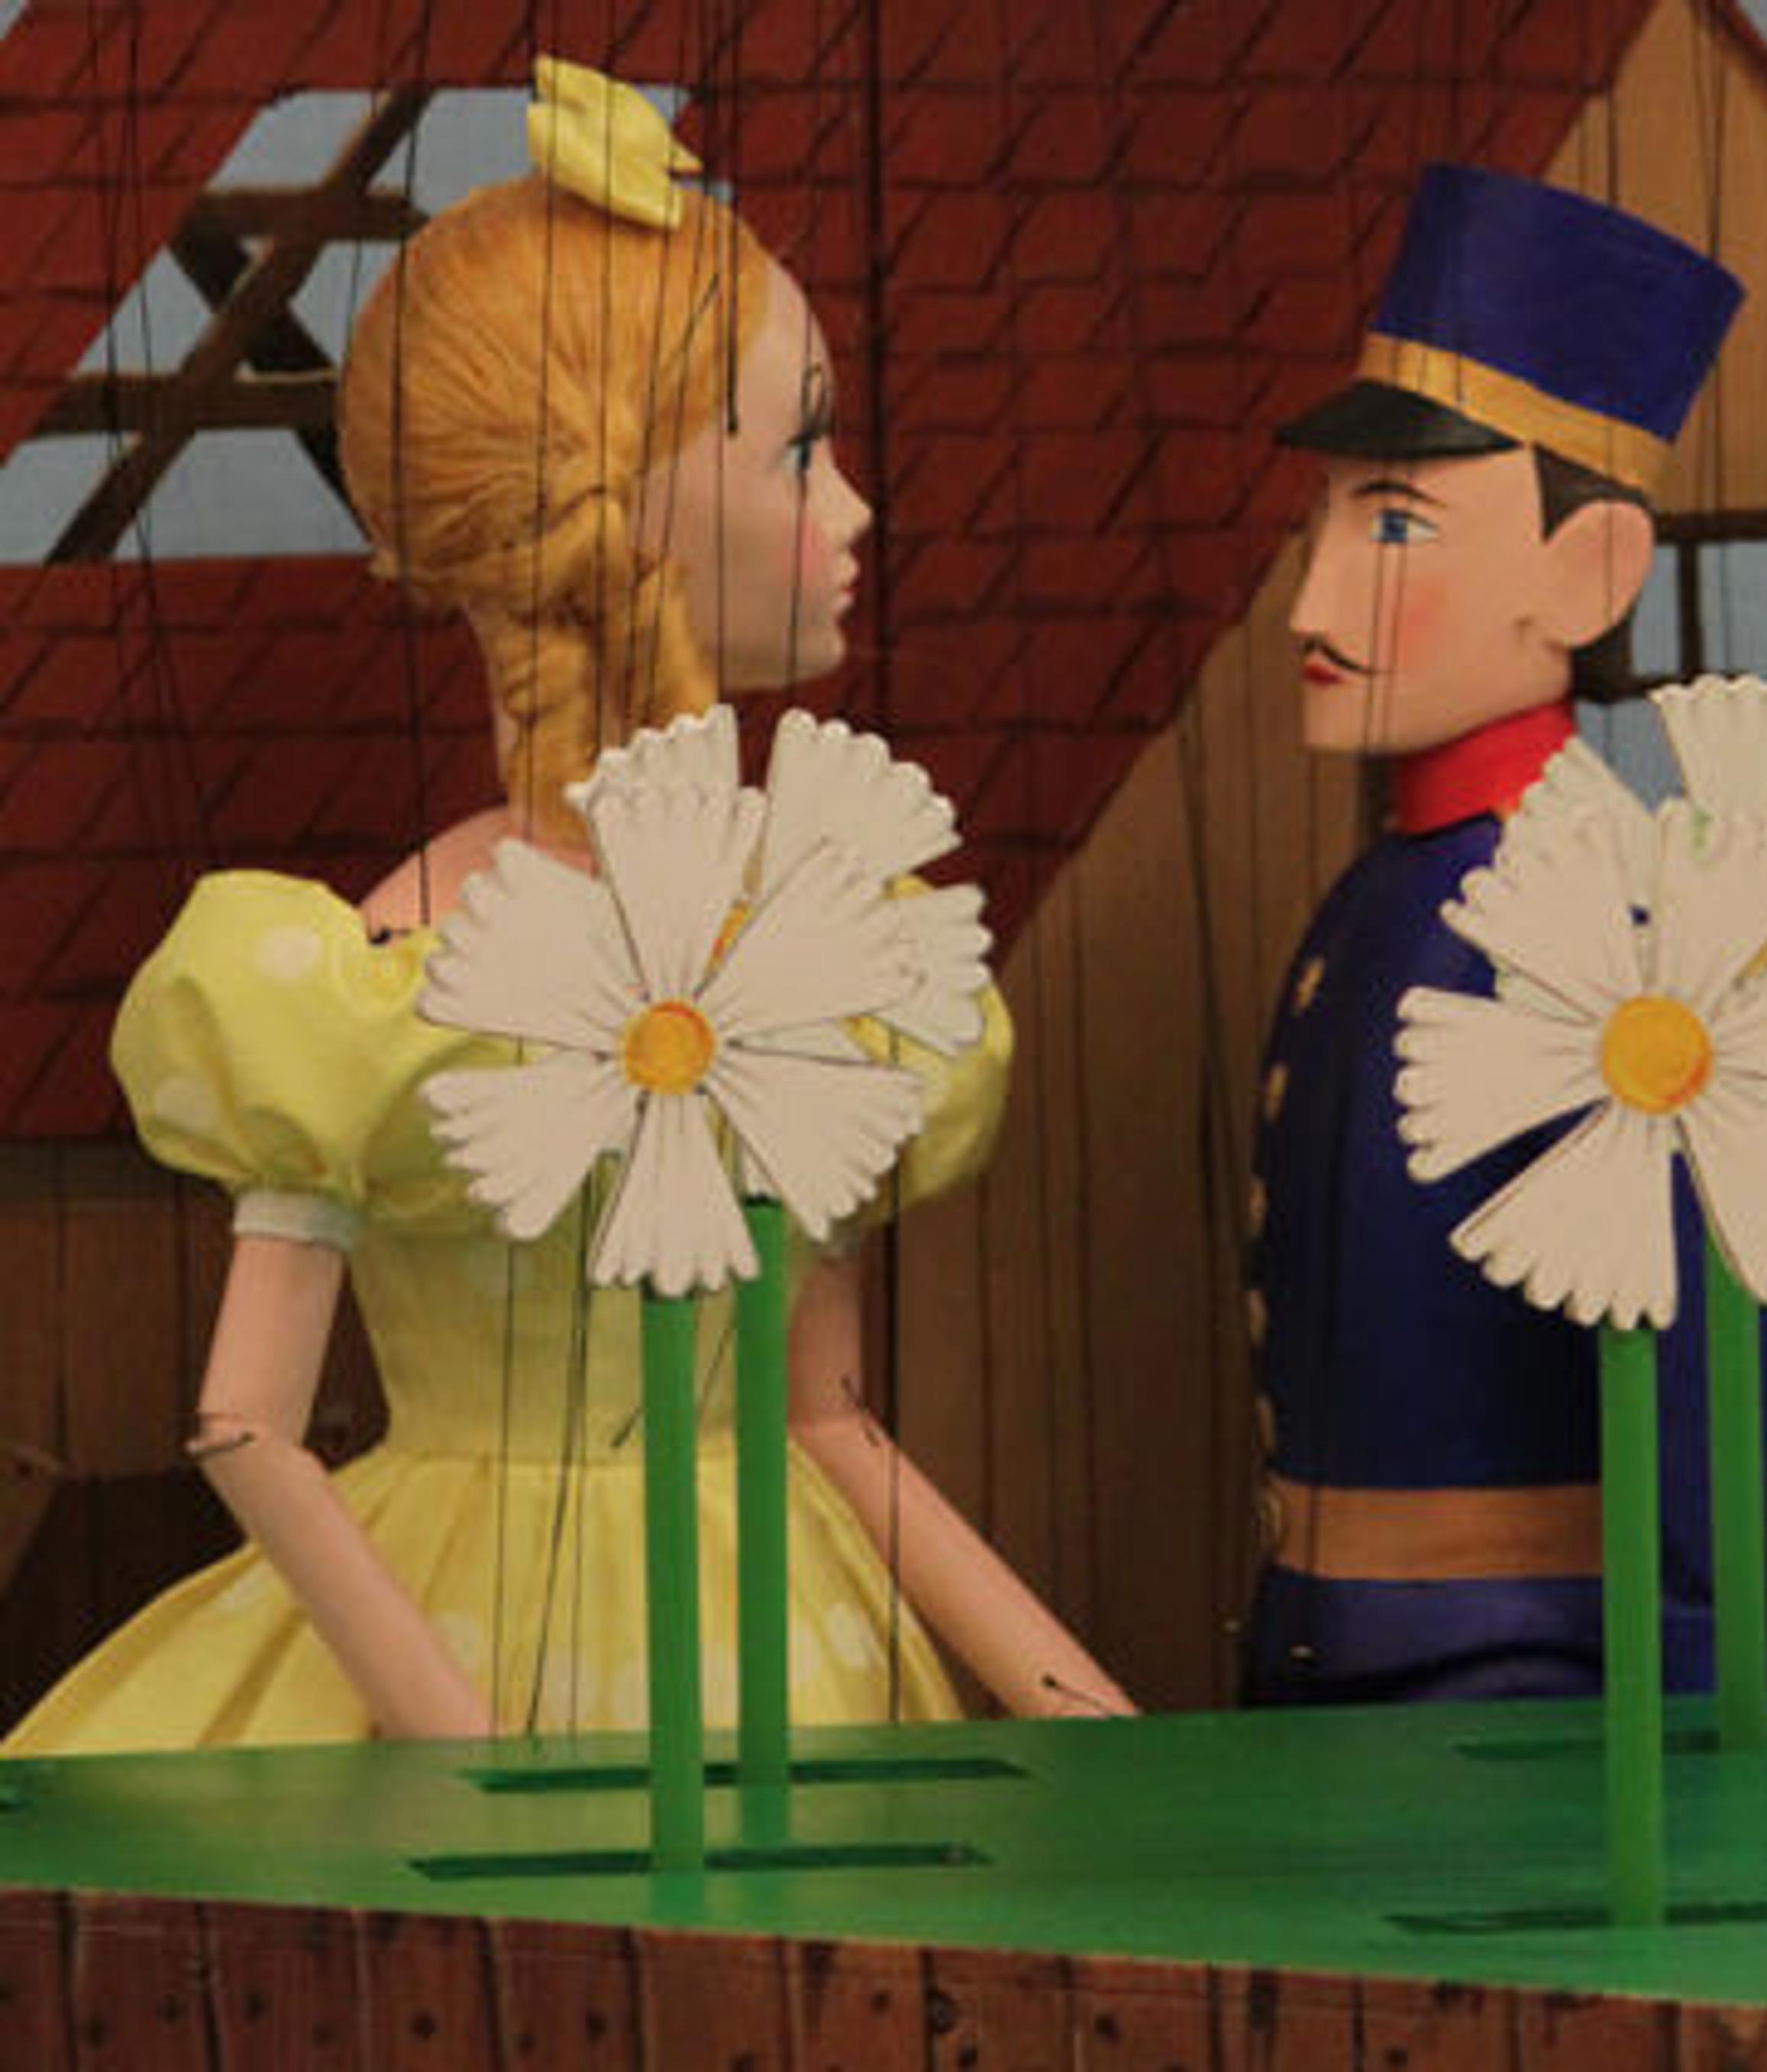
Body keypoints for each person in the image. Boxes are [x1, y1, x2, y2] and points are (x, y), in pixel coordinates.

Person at [3, 60, 1129, 1754]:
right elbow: (248, 1425)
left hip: (780, 1632)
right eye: (800, 449)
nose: (853, 511)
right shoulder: (397, 970)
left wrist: (1087, 1715)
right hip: (452, 1643)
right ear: (619, 496)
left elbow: (824, 1410)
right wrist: (467, 1752)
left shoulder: (824, 935)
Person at [1241, 163, 1767, 1705]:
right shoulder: (1380, 899)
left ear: (1589, 576)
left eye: (1395, 528)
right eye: (1324, 522)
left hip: (1525, 1700)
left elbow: (1749, 1412)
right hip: (1324, 1669)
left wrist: (1745, 1743)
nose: (1310, 604)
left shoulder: (1627, 940)